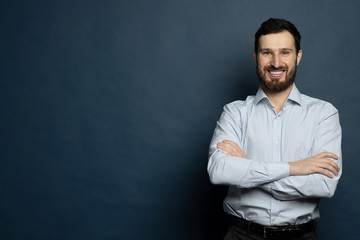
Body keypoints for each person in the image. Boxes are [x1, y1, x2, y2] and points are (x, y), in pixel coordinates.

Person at [207, 18, 342, 240]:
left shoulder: (324, 114)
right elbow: (219, 171)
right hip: (241, 235)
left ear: (298, 57)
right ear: (255, 57)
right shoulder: (235, 113)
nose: (276, 62)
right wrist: (295, 168)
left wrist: (247, 171)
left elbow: (325, 184)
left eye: (285, 52)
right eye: (267, 52)